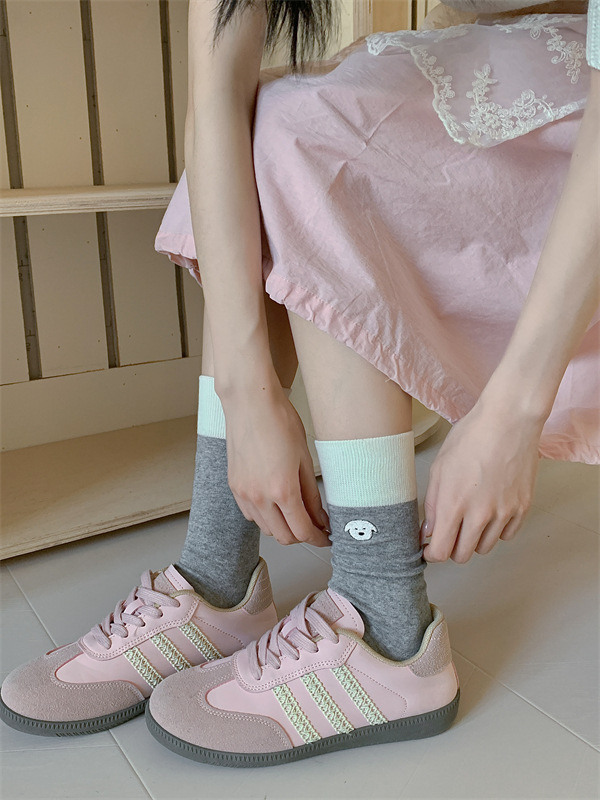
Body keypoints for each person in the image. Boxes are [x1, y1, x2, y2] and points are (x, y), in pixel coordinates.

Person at [1, 0, 598, 768]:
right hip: (492, 55)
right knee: (267, 115)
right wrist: (248, 398)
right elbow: (216, 93)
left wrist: (512, 412)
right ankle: (217, 575)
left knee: (309, 126)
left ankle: (385, 625)